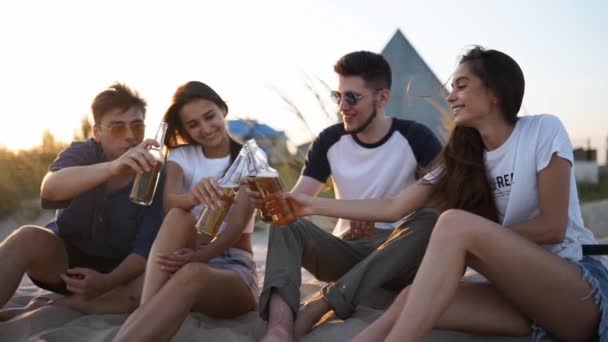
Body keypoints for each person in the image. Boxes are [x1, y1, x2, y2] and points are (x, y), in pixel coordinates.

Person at [275, 46, 608, 341]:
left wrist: (473, 241)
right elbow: (394, 207)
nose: (450, 97)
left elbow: (553, 227)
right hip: (520, 302)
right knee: (410, 297)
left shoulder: (541, 130)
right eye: (452, 88)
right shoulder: (461, 157)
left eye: (462, 86)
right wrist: (306, 204)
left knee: (452, 225)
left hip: (577, 289)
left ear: (495, 92)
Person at [248, 50, 442, 342]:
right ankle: (279, 327)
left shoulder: (416, 137)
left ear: (383, 98)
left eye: (352, 97)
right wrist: (270, 207)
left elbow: (443, 200)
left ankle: (321, 305)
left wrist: (373, 218)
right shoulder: (329, 140)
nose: (343, 106)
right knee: (285, 224)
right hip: (347, 251)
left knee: (430, 220)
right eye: (337, 96)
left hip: (397, 256)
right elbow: (298, 201)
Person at [0, 83, 164, 319]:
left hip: (119, 273)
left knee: (152, 285)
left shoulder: (157, 171)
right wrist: (113, 168)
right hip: (64, 264)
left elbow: (145, 248)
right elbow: (50, 189)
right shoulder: (84, 152)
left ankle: (53, 309)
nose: (130, 136)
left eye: (137, 127)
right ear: (97, 132)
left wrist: (107, 282)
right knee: (26, 237)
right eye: (118, 128)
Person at [113, 81, 258, 342]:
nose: (204, 128)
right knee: (179, 214)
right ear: (185, 129)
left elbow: (236, 228)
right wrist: (192, 197)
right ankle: (146, 312)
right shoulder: (182, 156)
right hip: (182, 255)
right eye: (193, 124)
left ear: (222, 110)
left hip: (232, 268)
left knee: (192, 274)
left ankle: (140, 319)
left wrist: (199, 257)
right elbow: (170, 203)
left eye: (209, 116)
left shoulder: (249, 160)